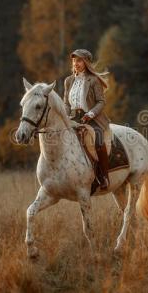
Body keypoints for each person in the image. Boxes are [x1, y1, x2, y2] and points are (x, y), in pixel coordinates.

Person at [63, 49, 111, 190]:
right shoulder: (68, 81)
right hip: (73, 117)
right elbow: (66, 103)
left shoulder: (94, 80)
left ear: (86, 62)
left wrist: (90, 114)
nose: (75, 63)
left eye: (79, 60)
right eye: (74, 60)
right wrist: (65, 116)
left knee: (98, 139)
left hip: (92, 117)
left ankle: (104, 177)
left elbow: (101, 102)